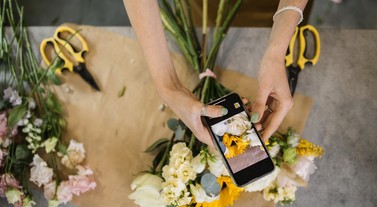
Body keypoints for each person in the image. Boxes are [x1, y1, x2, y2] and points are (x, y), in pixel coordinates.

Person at [123, 0, 308, 146]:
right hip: (205, 6)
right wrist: (168, 86)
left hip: (280, 6)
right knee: (203, 16)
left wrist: (276, 52)